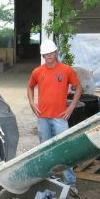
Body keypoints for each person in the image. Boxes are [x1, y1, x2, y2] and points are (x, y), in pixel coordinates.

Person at [27, 39, 82, 187]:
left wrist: (71, 108)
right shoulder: (37, 72)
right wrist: (32, 103)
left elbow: (78, 88)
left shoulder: (66, 70)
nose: (50, 55)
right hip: (43, 117)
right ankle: (49, 180)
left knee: (65, 149)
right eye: (46, 53)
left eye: (52, 52)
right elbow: (30, 87)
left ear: (56, 53)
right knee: (45, 150)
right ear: (43, 56)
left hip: (60, 118)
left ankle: (70, 182)